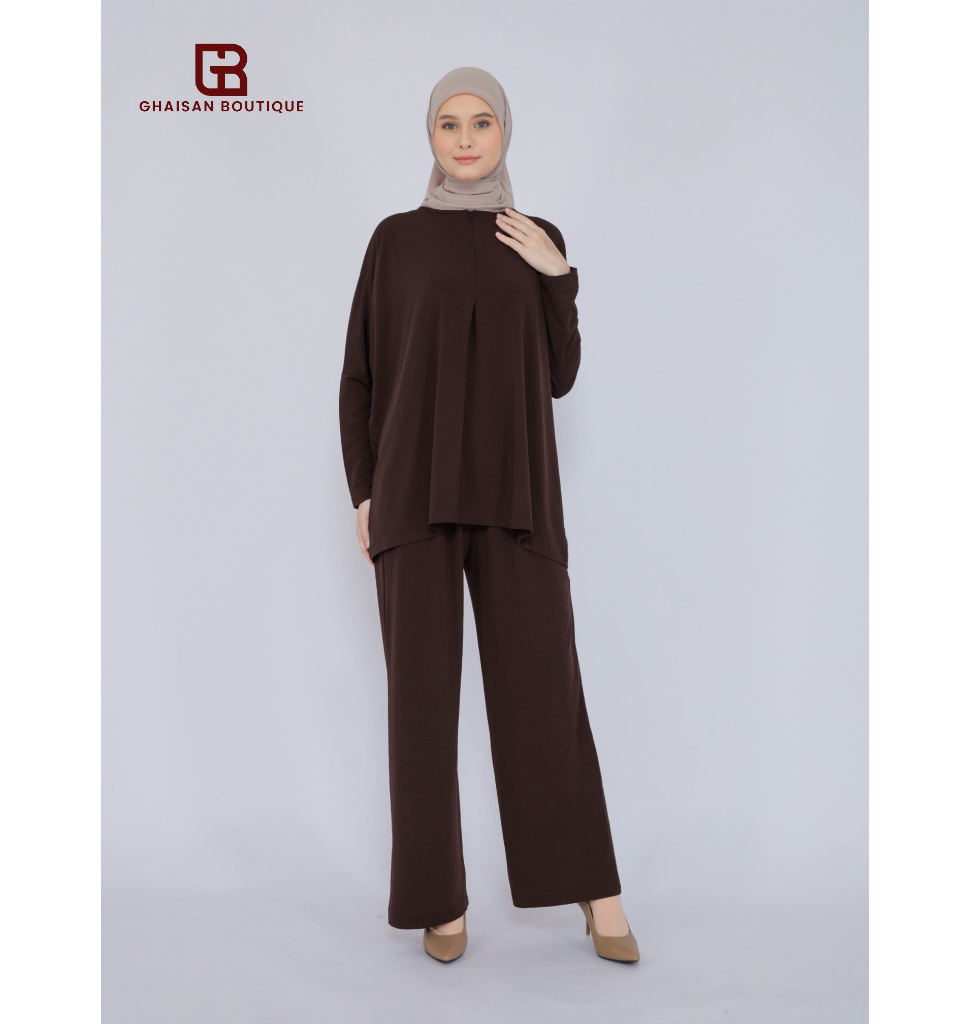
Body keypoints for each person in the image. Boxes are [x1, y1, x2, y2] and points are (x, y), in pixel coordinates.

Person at [338, 66, 640, 964]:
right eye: (448, 123)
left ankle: (596, 889)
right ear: (429, 136)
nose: (466, 139)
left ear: (505, 132)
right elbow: (359, 376)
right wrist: (364, 490)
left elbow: (559, 375)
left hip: (517, 504)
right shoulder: (395, 241)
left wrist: (558, 276)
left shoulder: (537, 236)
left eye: (482, 123)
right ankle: (441, 900)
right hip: (413, 503)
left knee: (545, 696)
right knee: (421, 711)